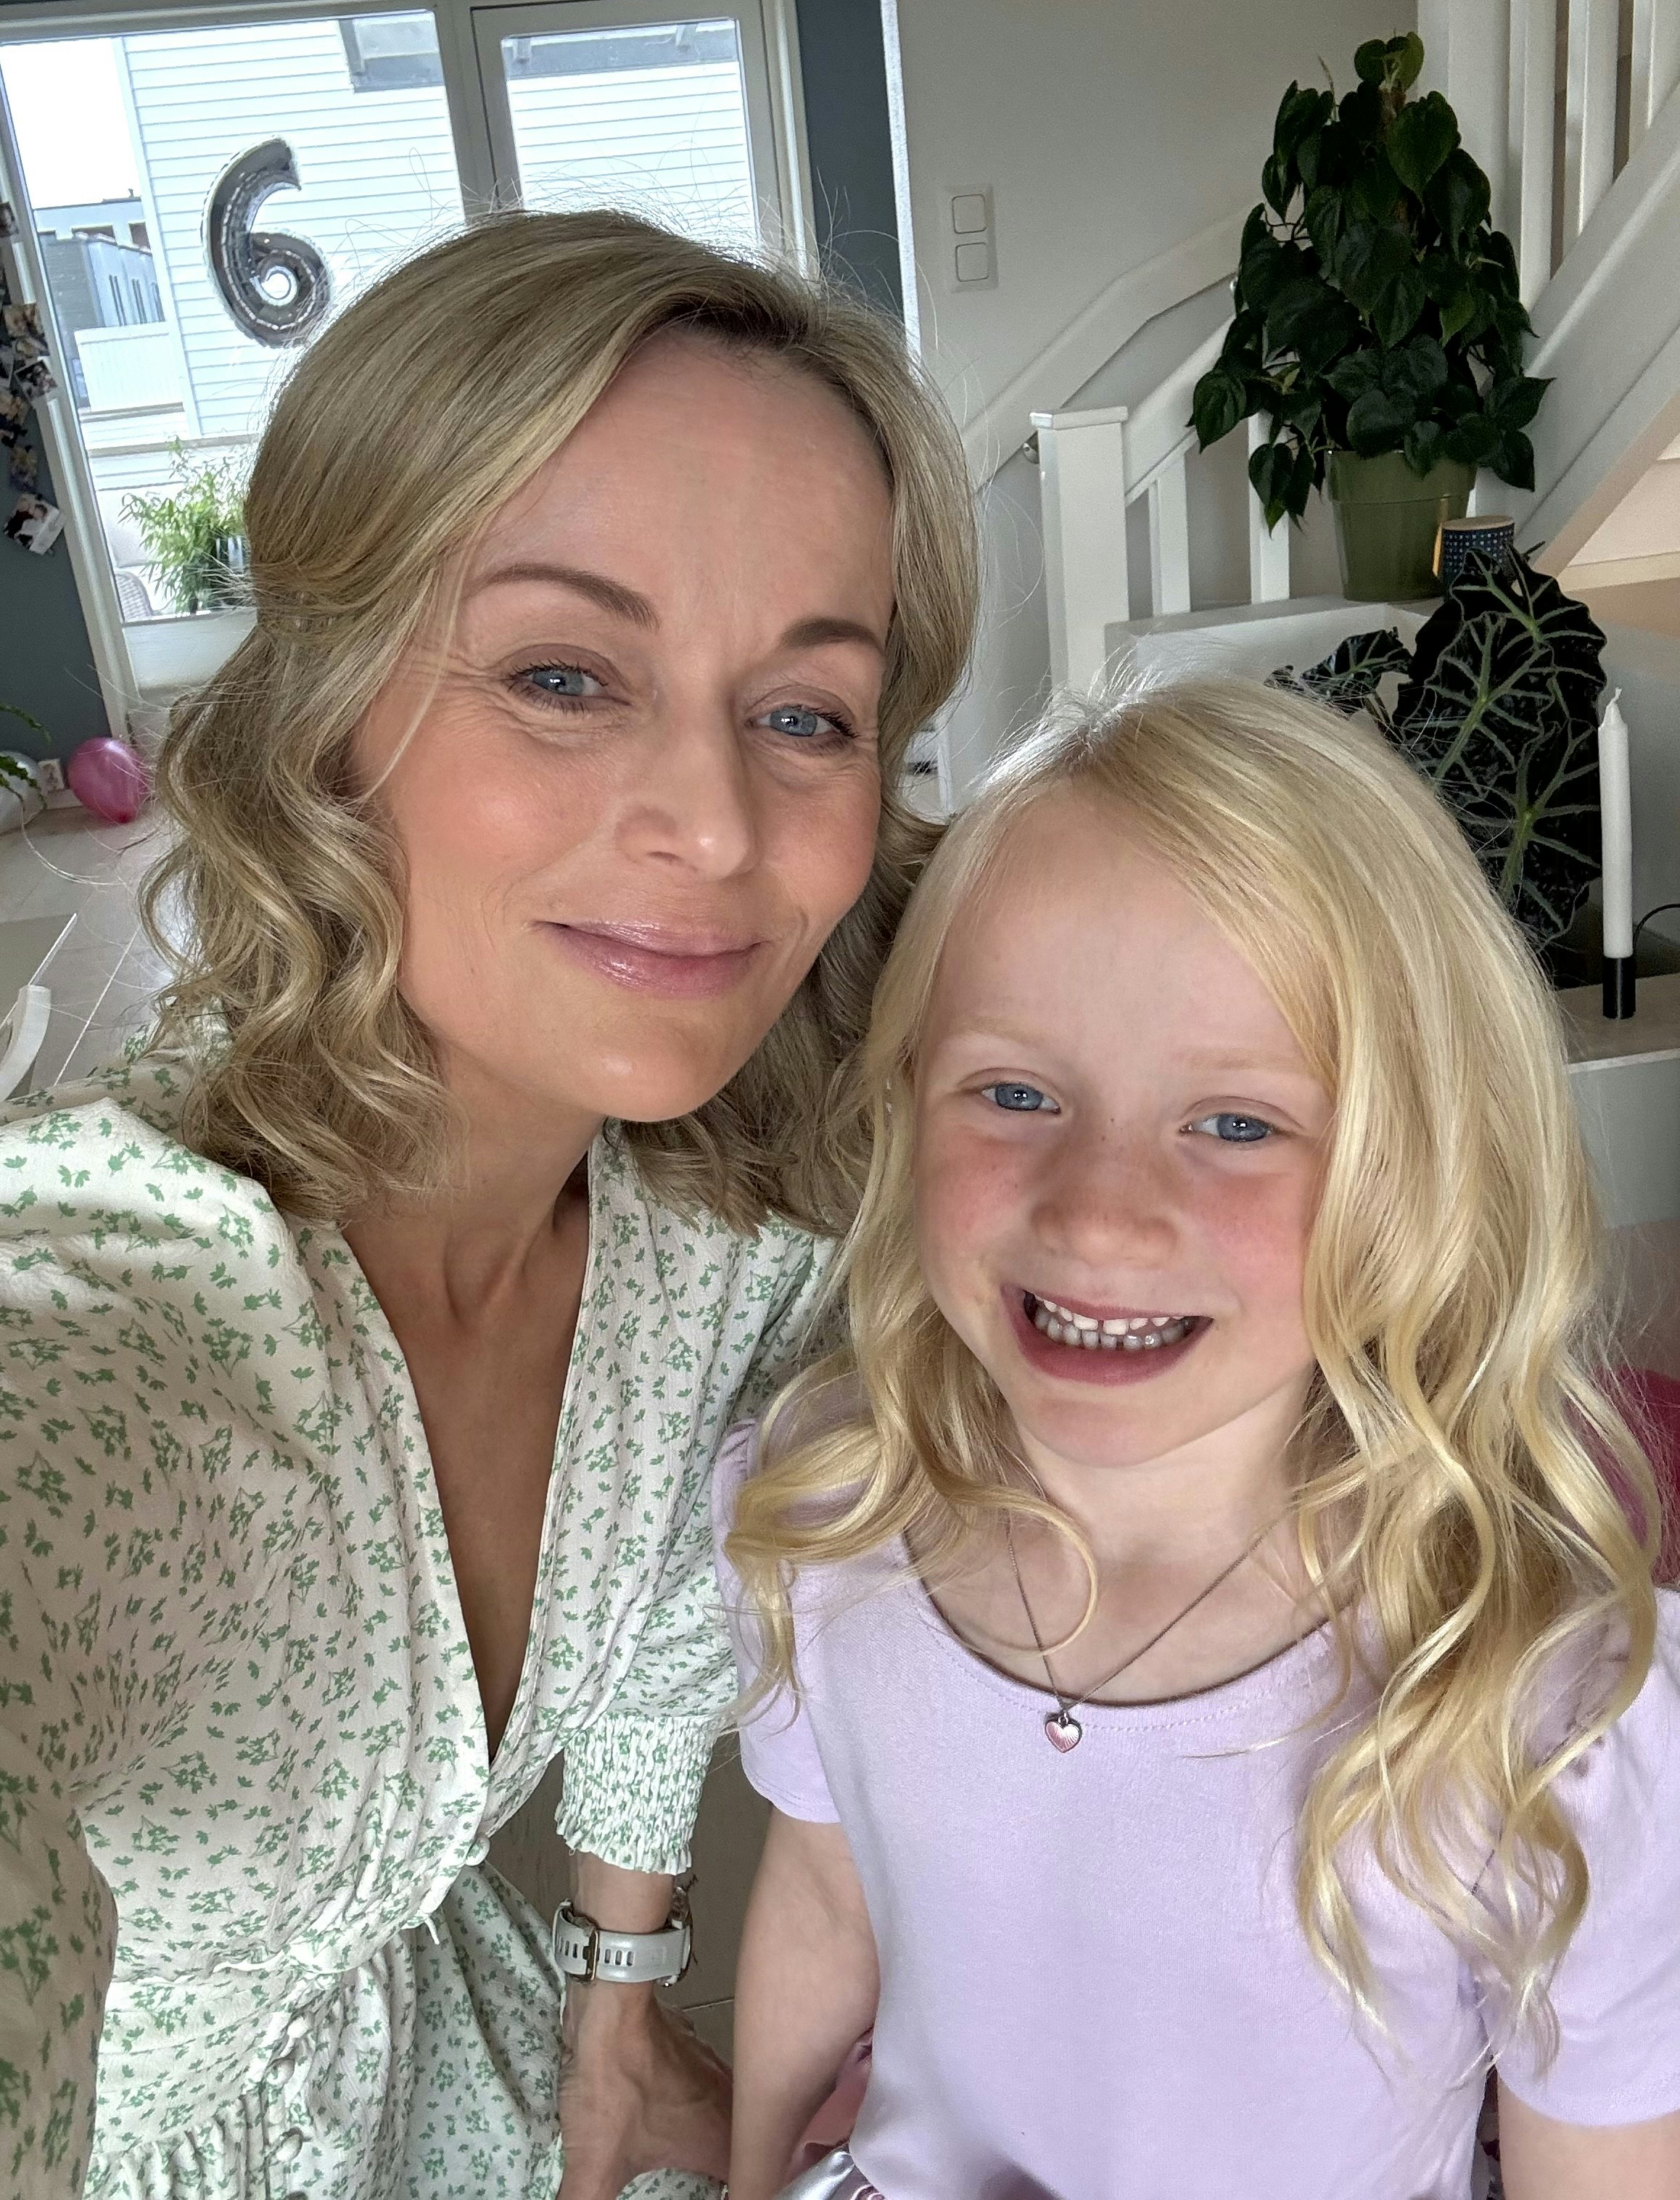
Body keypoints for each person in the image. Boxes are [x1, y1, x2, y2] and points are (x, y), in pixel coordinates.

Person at [0, 210, 977, 2200]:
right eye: (562, 674)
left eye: (805, 712)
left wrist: (623, 1992)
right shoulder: (111, 1340)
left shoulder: (724, 1239)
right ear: (329, 716)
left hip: (450, 2066)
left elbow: (662, 1613)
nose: (714, 822)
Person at [718, 678, 1680, 2200]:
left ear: (1414, 1173)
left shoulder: (1541, 1710)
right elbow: (828, 1904)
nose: (1099, 1212)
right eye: (1014, 1092)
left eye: (1236, 1122)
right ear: (907, 1099)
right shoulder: (833, 1507)